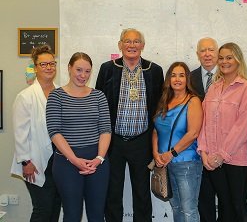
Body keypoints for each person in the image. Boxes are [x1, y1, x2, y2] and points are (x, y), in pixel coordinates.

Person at [95, 28, 164, 222]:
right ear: (120, 45)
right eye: (127, 41)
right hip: (113, 140)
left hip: (141, 141)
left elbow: (159, 106)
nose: (131, 45)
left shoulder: (154, 70)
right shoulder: (108, 68)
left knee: (142, 192)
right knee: (113, 190)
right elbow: (99, 104)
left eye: (136, 42)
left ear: (142, 45)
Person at [46, 52, 112, 221]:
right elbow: (55, 132)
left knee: (97, 215)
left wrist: (99, 158)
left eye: (88, 71)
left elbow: (105, 130)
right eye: (79, 70)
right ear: (69, 68)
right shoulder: (56, 96)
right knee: (72, 214)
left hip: (97, 162)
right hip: (67, 163)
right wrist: (75, 160)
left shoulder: (99, 96)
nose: (83, 75)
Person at [197, 42, 247, 222]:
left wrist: (221, 155)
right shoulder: (214, 87)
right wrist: (204, 152)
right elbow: (204, 122)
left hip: (237, 160)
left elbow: (243, 127)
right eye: (221, 58)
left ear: (238, 60)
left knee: (237, 207)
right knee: (224, 206)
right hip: (213, 159)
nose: (224, 62)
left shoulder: (246, 88)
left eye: (229, 57)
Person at [10, 45, 61, 222]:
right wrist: (25, 161)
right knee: (43, 209)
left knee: (55, 206)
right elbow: (20, 132)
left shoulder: (61, 93)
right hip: (35, 161)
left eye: (52, 64)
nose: (49, 68)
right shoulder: (26, 96)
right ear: (35, 66)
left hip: (59, 161)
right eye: (43, 64)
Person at [153, 61, 203, 221]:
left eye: (181, 75)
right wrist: (156, 153)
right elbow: (155, 130)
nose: (177, 79)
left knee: (189, 210)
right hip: (165, 164)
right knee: (176, 208)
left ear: (187, 79)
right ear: (169, 79)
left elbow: (193, 133)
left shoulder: (193, 101)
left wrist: (172, 153)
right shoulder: (164, 101)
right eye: (173, 75)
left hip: (186, 163)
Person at [189, 37, 220, 222]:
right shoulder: (190, 78)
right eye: (203, 50)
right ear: (198, 54)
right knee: (204, 200)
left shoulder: (228, 76)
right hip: (197, 148)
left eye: (211, 50)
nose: (207, 54)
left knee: (227, 201)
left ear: (217, 53)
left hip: (224, 150)